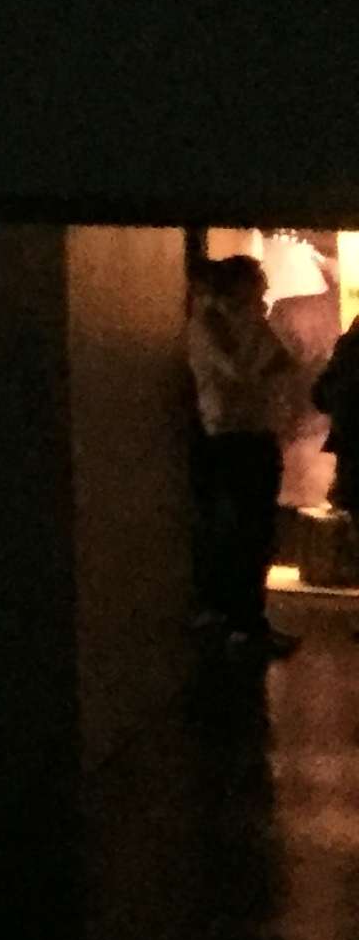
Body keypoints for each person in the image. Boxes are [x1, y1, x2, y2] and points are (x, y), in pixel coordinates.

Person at [188, 252, 305, 659]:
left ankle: (239, 619)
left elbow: (278, 365)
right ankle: (242, 622)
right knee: (247, 532)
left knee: (248, 530)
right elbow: (250, 369)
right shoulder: (218, 323)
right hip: (237, 435)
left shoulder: (225, 322)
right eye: (258, 282)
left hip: (243, 434)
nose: (264, 290)